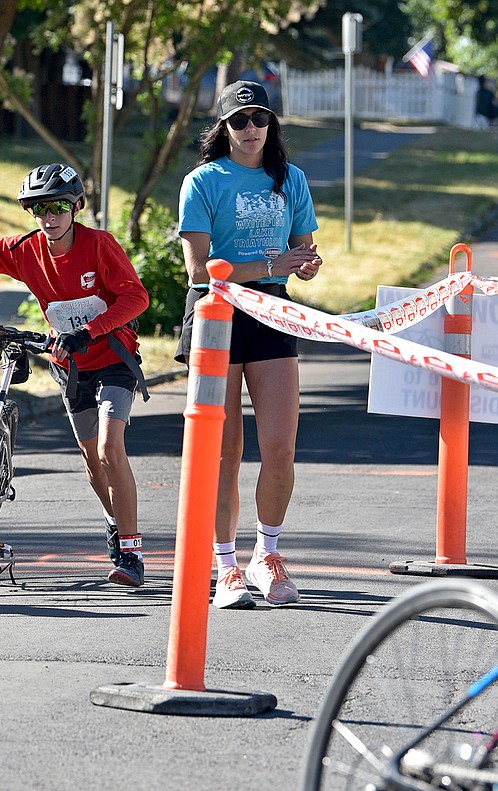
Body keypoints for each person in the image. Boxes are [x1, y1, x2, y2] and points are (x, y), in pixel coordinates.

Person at [0, 163, 151, 587]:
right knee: (91, 460)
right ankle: (114, 522)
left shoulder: (99, 245)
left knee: (108, 447)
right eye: (40, 208)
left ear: (76, 206)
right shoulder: (26, 250)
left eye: (59, 206)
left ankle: (132, 551)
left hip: (114, 358)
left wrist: (89, 331)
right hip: (69, 365)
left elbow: (137, 298)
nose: (50, 217)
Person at [176, 80, 322, 609]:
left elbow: (302, 254)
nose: (251, 129)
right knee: (225, 451)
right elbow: (197, 270)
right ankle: (225, 566)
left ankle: (268, 553)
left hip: (272, 312)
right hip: (216, 313)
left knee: (281, 446)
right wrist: (268, 265)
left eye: (259, 118)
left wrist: (303, 265)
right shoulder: (203, 180)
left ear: (271, 124)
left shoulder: (292, 179)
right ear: (222, 128)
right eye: (239, 121)